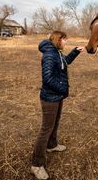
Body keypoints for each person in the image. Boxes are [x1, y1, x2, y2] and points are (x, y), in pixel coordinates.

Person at [31, 31, 84, 179]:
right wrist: (63, 88)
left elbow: (64, 62)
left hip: (57, 96)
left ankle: (52, 145)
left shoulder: (57, 52)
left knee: (55, 123)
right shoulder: (49, 54)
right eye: (64, 39)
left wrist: (75, 52)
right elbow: (47, 78)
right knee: (46, 129)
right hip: (50, 98)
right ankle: (36, 164)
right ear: (57, 40)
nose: (66, 41)